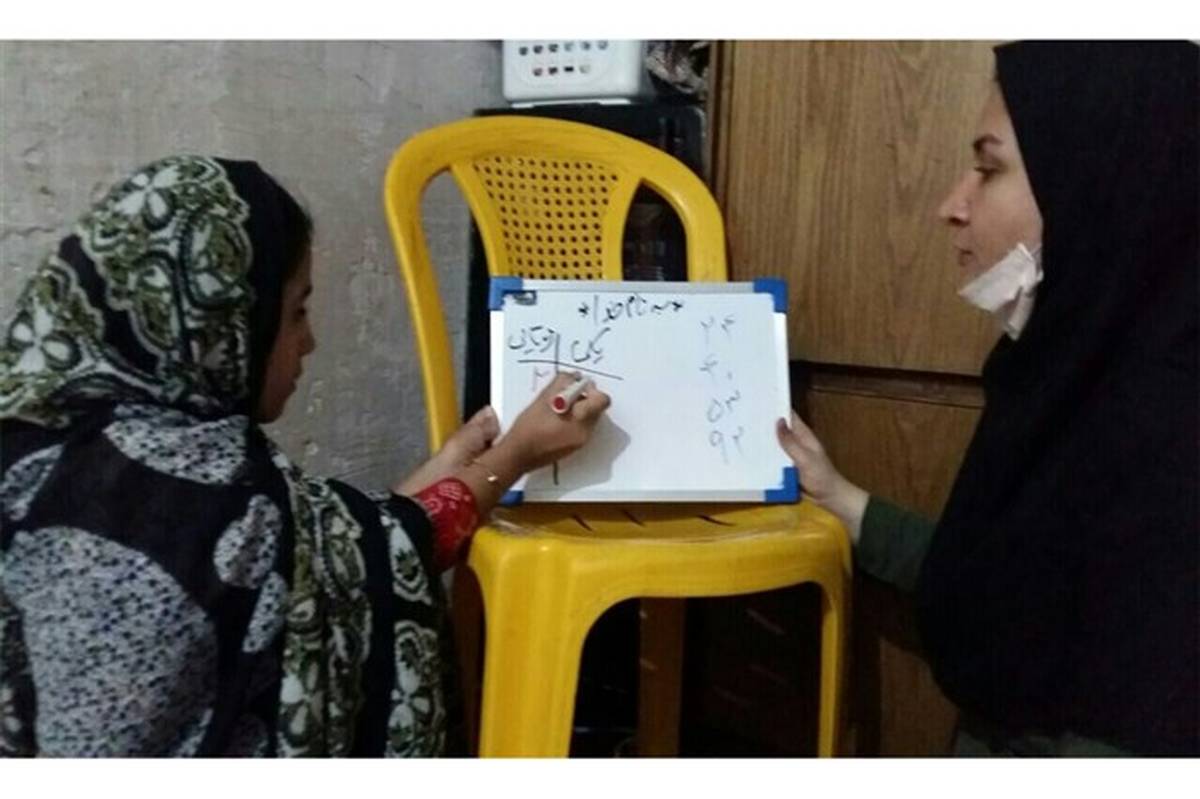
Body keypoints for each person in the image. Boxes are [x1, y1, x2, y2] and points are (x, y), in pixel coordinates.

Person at [0, 155, 610, 756]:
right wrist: (514, 456)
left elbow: (342, 549)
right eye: (296, 312)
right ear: (219, 319)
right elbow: (339, 552)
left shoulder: (44, 442)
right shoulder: (203, 496)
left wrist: (455, 468)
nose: (309, 340)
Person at [776, 41, 1198, 756]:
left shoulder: (1165, 447)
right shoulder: (1067, 376)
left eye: (989, 168)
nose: (952, 206)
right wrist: (840, 498)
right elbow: (998, 578)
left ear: (1094, 186)